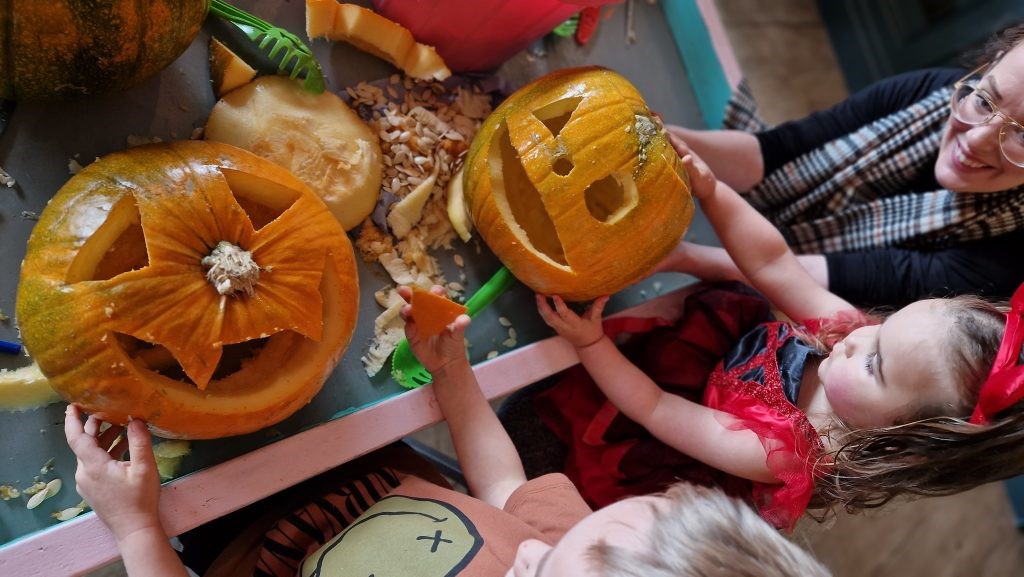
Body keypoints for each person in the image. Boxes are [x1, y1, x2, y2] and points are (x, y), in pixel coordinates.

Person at [63, 284, 833, 577]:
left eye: (535, 574)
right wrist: (456, 379)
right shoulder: (579, 548)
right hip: (352, 467)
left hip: (222, 539)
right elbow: (506, 492)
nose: (525, 549)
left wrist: (136, 530)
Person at [509, 138, 1024, 532]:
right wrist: (713, 192)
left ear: (901, 442)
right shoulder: (857, 337)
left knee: (548, 425)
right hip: (705, 364)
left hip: (672, 427)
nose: (857, 339)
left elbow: (654, 408)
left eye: (876, 366)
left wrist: (591, 343)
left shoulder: (784, 452)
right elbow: (774, 263)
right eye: (885, 328)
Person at [660, 23, 1024, 307]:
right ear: (988, 65)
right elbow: (780, 150)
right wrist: (662, 137)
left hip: (806, 303)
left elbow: (807, 276)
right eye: (985, 102)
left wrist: (679, 256)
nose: (977, 139)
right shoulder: (931, 93)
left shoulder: (1009, 258)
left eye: (1022, 136)